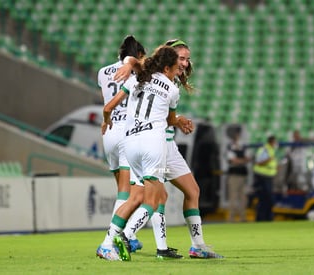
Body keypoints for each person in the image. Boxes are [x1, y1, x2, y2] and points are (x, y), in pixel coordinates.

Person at [115, 39, 224, 259]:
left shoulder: (170, 84)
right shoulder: (150, 72)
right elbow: (136, 64)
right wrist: (128, 63)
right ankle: (130, 240)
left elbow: (162, 113)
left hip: (167, 144)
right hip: (153, 144)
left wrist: (178, 120)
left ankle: (196, 246)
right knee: (153, 198)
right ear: (170, 59)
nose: (185, 63)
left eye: (187, 59)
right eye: (181, 58)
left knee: (191, 191)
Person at [99, 45, 188, 261]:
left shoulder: (138, 79)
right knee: (153, 200)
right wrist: (180, 121)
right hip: (152, 144)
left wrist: (106, 120)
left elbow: (108, 107)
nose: (179, 70)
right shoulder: (172, 89)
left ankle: (107, 244)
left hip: (130, 144)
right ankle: (126, 236)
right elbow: (169, 120)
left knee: (136, 197)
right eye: (177, 66)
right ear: (167, 67)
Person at [96, 35, 145, 260]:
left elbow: (105, 97)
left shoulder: (102, 72)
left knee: (122, 191)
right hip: (127, 131)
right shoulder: (138, 70)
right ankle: (111, 241)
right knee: (129, 192)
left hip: (109, 130)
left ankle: (127, 235)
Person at [226, 130, 251, 222]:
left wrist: (239, 160)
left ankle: (243, 217)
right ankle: (231, 218)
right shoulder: (230, 147)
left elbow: (247, 158)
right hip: (234, 175)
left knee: (243, 197)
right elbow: (233, 160)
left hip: (242, 174)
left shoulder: (243, 147)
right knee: (233, 196)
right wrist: (242, 160)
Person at [252, 135, 278, 222]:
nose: (276, 144)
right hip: (262, 177)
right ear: (271, 142)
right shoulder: (265, 150)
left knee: (267, 199)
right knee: (265, 199)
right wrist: (269, 159)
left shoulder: (270, 150)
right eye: (275, 142)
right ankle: (262, 219)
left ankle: (266, 218)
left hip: (268, 176)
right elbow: (259, 162)